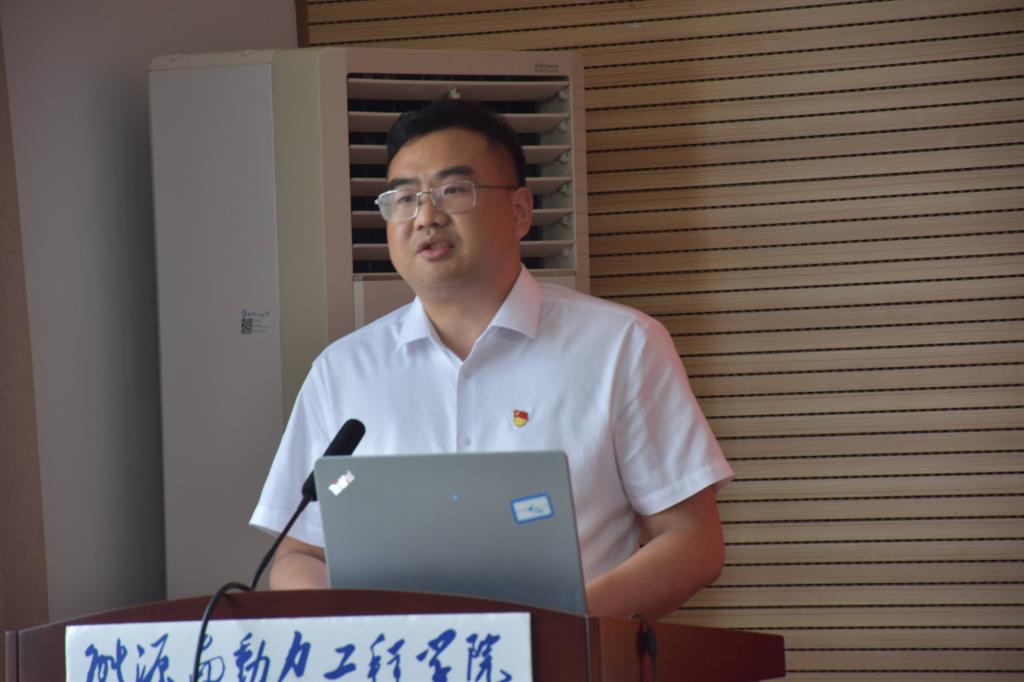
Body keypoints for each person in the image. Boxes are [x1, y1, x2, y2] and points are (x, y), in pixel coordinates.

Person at [250, 99, 733, 619]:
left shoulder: (622, 345)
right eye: (405, 198)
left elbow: (691, 542)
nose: (426, 216)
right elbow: (299, 555)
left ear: (520, 210)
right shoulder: (342, 370)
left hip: (565, 655)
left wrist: (554, 630)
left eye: (454, 190)